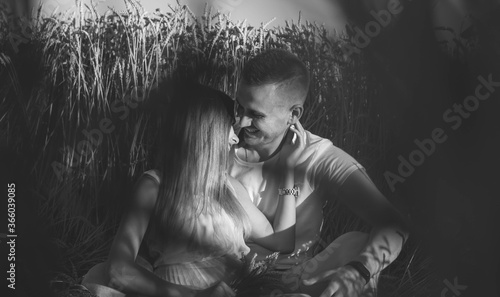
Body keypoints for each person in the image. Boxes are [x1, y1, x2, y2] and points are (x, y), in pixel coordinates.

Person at [81, 83, 307, 297]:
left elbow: (282, 242)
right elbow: (118, 271)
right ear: (208, 131)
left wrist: (287, 169)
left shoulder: (229, 188)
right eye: (229, 125)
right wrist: (197, 295)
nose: (235, 137)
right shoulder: (156, 186)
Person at [229, 49, 410, 297]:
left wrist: (360, 270)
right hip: (229, 280)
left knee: (356, 244)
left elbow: (393, 224)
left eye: (256, 115)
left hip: (295, 279)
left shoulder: (317, 157)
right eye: (239, 107)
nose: (240, 123)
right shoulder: (217, 140)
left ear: (293, 114)